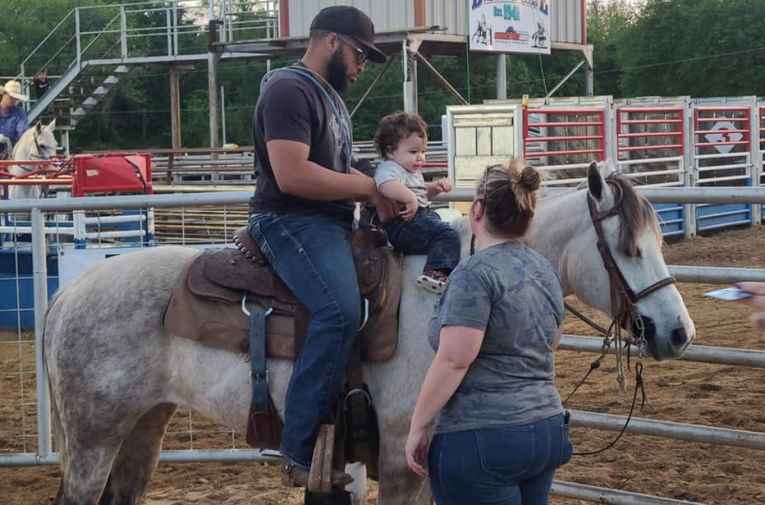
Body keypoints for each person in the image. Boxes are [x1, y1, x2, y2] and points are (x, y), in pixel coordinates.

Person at [247, 5, 395, 488]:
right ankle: (298, 446)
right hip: (290, 219)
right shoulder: (289, 89)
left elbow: (338, 170)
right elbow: (292, 175)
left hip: (325, 221)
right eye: (359, 54)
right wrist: (368, 190)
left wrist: (396, 182)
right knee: (339, 311)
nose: (361, 65)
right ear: (332, 41)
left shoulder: (327, 96)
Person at [405, 160, 573, 505]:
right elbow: (551, 341)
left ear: (477, 210)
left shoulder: (473, 274)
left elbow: (454, 359)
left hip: (482, 439)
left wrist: (418, 425)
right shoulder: (543, 269)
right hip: (545, 428)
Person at [373, 112, 460, 294]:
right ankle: (435, 273)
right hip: (402, 225)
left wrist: (434, 188)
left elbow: (420, 194)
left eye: (423, 152)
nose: (421, 157)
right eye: (413, 152)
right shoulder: (389, 168)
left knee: (445, 225)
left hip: (417, 218)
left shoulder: (409, 171)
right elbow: (384, 185)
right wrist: (409, 198)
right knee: (447, 234)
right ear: (390, 151)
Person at [0, 80, 29, 146]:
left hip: (12, 152)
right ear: (4, 95)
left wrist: (9, 140)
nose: (14, 100)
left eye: (16, 98)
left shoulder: (20, 113)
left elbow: (22, 132)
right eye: (11, 97)